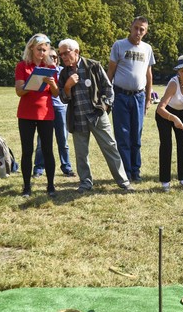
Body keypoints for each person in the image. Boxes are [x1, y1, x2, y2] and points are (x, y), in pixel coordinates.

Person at [57, 38, 133, 193]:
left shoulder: (93, 66)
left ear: (76, 51)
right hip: (77, 118)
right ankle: (85, 183)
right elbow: (63, 99)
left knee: (110, 148)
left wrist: (104, 106)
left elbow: (108, 89)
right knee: (81, 154)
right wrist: (67, 86)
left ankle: (123, 182)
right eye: (61, 54)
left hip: (97, 115)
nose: (63, 57)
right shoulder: (64, 73)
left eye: (66, 53)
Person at [108, 16, 155, 183]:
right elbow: (110, 73)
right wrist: (107, 96)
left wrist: (148, 98)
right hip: (120, 96)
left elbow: (149, 75)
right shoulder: (119, 45)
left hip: (139, 97)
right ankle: (125, 172)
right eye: (136, 28)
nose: (138, 32)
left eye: (142, 29)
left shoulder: (147, 49)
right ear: (130, 27)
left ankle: (136, 171)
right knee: (123, 136)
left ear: (146, 31)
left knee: (136, 136)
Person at [15, 33, 59, 197]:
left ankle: (50, 186)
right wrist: (33, 83)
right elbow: (19, 91)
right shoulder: (22, 66)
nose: (42, 53)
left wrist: (52, 83)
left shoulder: (51, 68)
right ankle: (26, 187)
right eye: (39, 49)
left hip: (46, 114)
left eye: (45, 50)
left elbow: (56, 94)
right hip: (26, 113)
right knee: (27, 151)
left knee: (48, 150)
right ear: (31, 48)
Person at [155, 55, 183, 192]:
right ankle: (165, 182)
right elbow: (160, 108)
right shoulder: (173, 84)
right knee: (166, 146)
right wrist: (174, 119)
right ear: (178, 72)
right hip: (165, 115)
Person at [33, 50, 75, 178]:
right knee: (42, 141)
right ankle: (39, 168)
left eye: (56, 57)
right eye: (51, 57)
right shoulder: (41, 71)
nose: (55, 59)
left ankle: (66, 167)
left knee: (63, 140)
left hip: (61, 108)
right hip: (45, 109)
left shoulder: (63, 71)